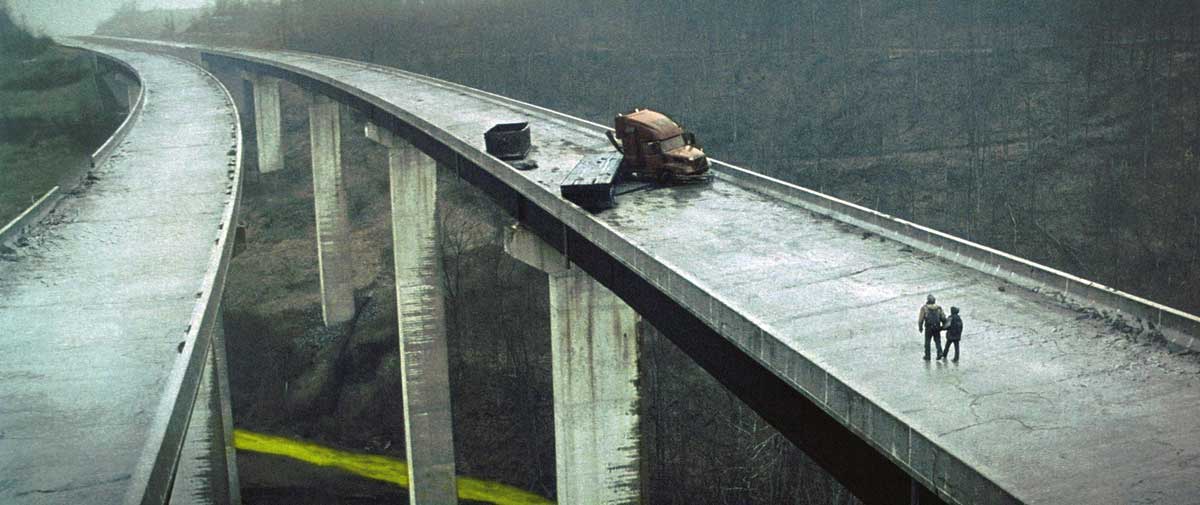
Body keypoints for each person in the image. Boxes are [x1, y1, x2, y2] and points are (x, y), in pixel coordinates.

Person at [918, 294, 946, 360]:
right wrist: (944, 326)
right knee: (937, 341)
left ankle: (927, 356)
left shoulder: (924, 308)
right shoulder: (939, 308)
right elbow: (943, 317)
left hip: (928, 327)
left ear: (928, 300)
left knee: (927, 342)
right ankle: (939, 352)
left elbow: (920, 320)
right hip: (937, 327)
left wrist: (920, 327)